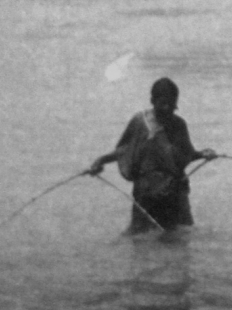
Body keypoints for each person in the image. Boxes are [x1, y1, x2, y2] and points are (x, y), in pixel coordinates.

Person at [88, 77, 216, 233]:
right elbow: (124, 151)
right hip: (146, 194)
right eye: (163, 104)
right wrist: (100, 161)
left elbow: (185, 155)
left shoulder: (179, 125)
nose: (167, 109)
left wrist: (203, 154)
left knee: (180, 238)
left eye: (171, 105)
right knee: (138, 240)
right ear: (152, 100)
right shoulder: (140, 122)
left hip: (173, 192)